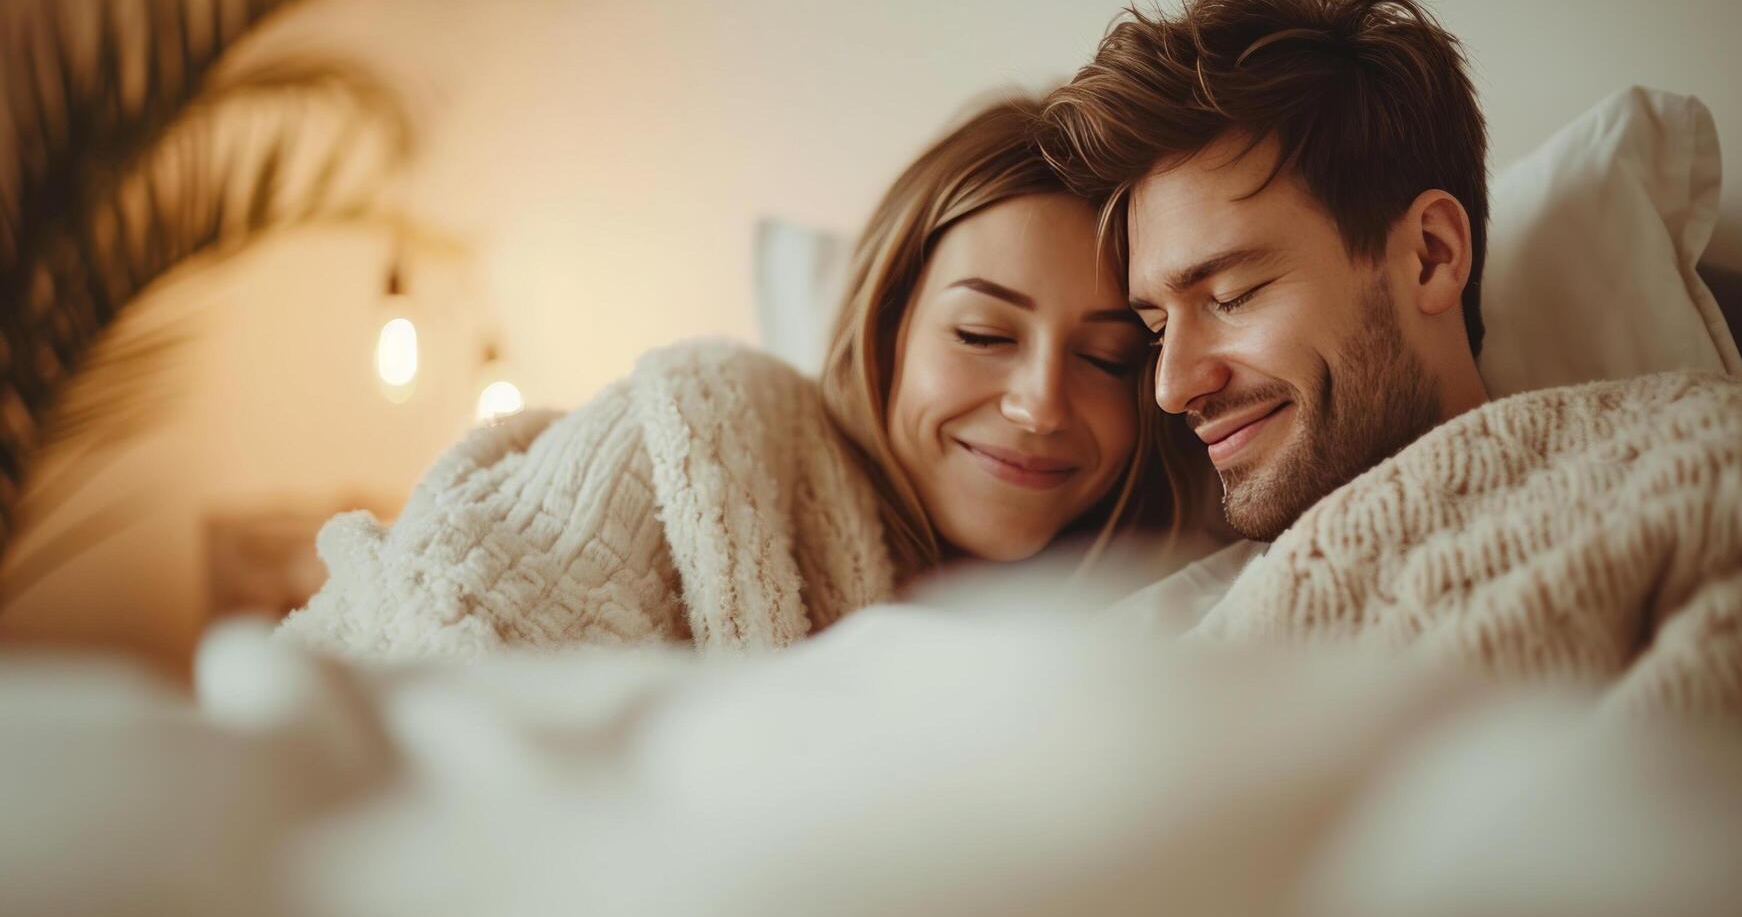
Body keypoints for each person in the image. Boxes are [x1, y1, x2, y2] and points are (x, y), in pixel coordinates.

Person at [1039, 0, 1742, 715]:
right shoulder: (1133, 655)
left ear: (1431, 256)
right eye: (1155, 329)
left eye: (1230, 296)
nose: (1171, 386)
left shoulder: (1690, 469)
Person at [277, 94, 1201, 661]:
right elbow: (445, 628)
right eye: (981, 333)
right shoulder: (717, 428)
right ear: (883, 330)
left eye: (1107, 358)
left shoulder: (1153, 606)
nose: (1040, 403)